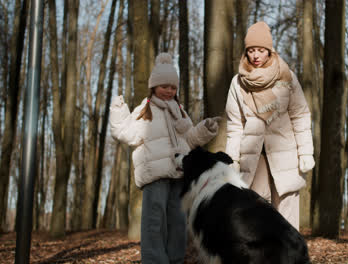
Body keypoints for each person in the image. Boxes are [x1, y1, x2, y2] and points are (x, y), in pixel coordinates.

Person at [110, 53, 220, 264]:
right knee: (154, 220)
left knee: (178, 221)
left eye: (173, 87)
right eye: (164, 86)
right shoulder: (146, 109)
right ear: (154, 86)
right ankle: (154, 260)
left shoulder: (179, 111)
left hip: (178, 174)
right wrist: (118, 111)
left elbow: (190, 139)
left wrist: (205, 129)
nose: (169, 91)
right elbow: (126, 133)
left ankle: (175, 259)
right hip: (155, 175)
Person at [225, 21, 315, 230]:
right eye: (251, 51)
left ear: (269, 50)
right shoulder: (237, 83)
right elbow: (235, 125)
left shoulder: (286, 76)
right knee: (255, 217)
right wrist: (233, 160)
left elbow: (300, 115)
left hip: (286, 153)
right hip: (254, 157)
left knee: (287, 216)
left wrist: (305, 153)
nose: (256, 56)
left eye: (261, 50)